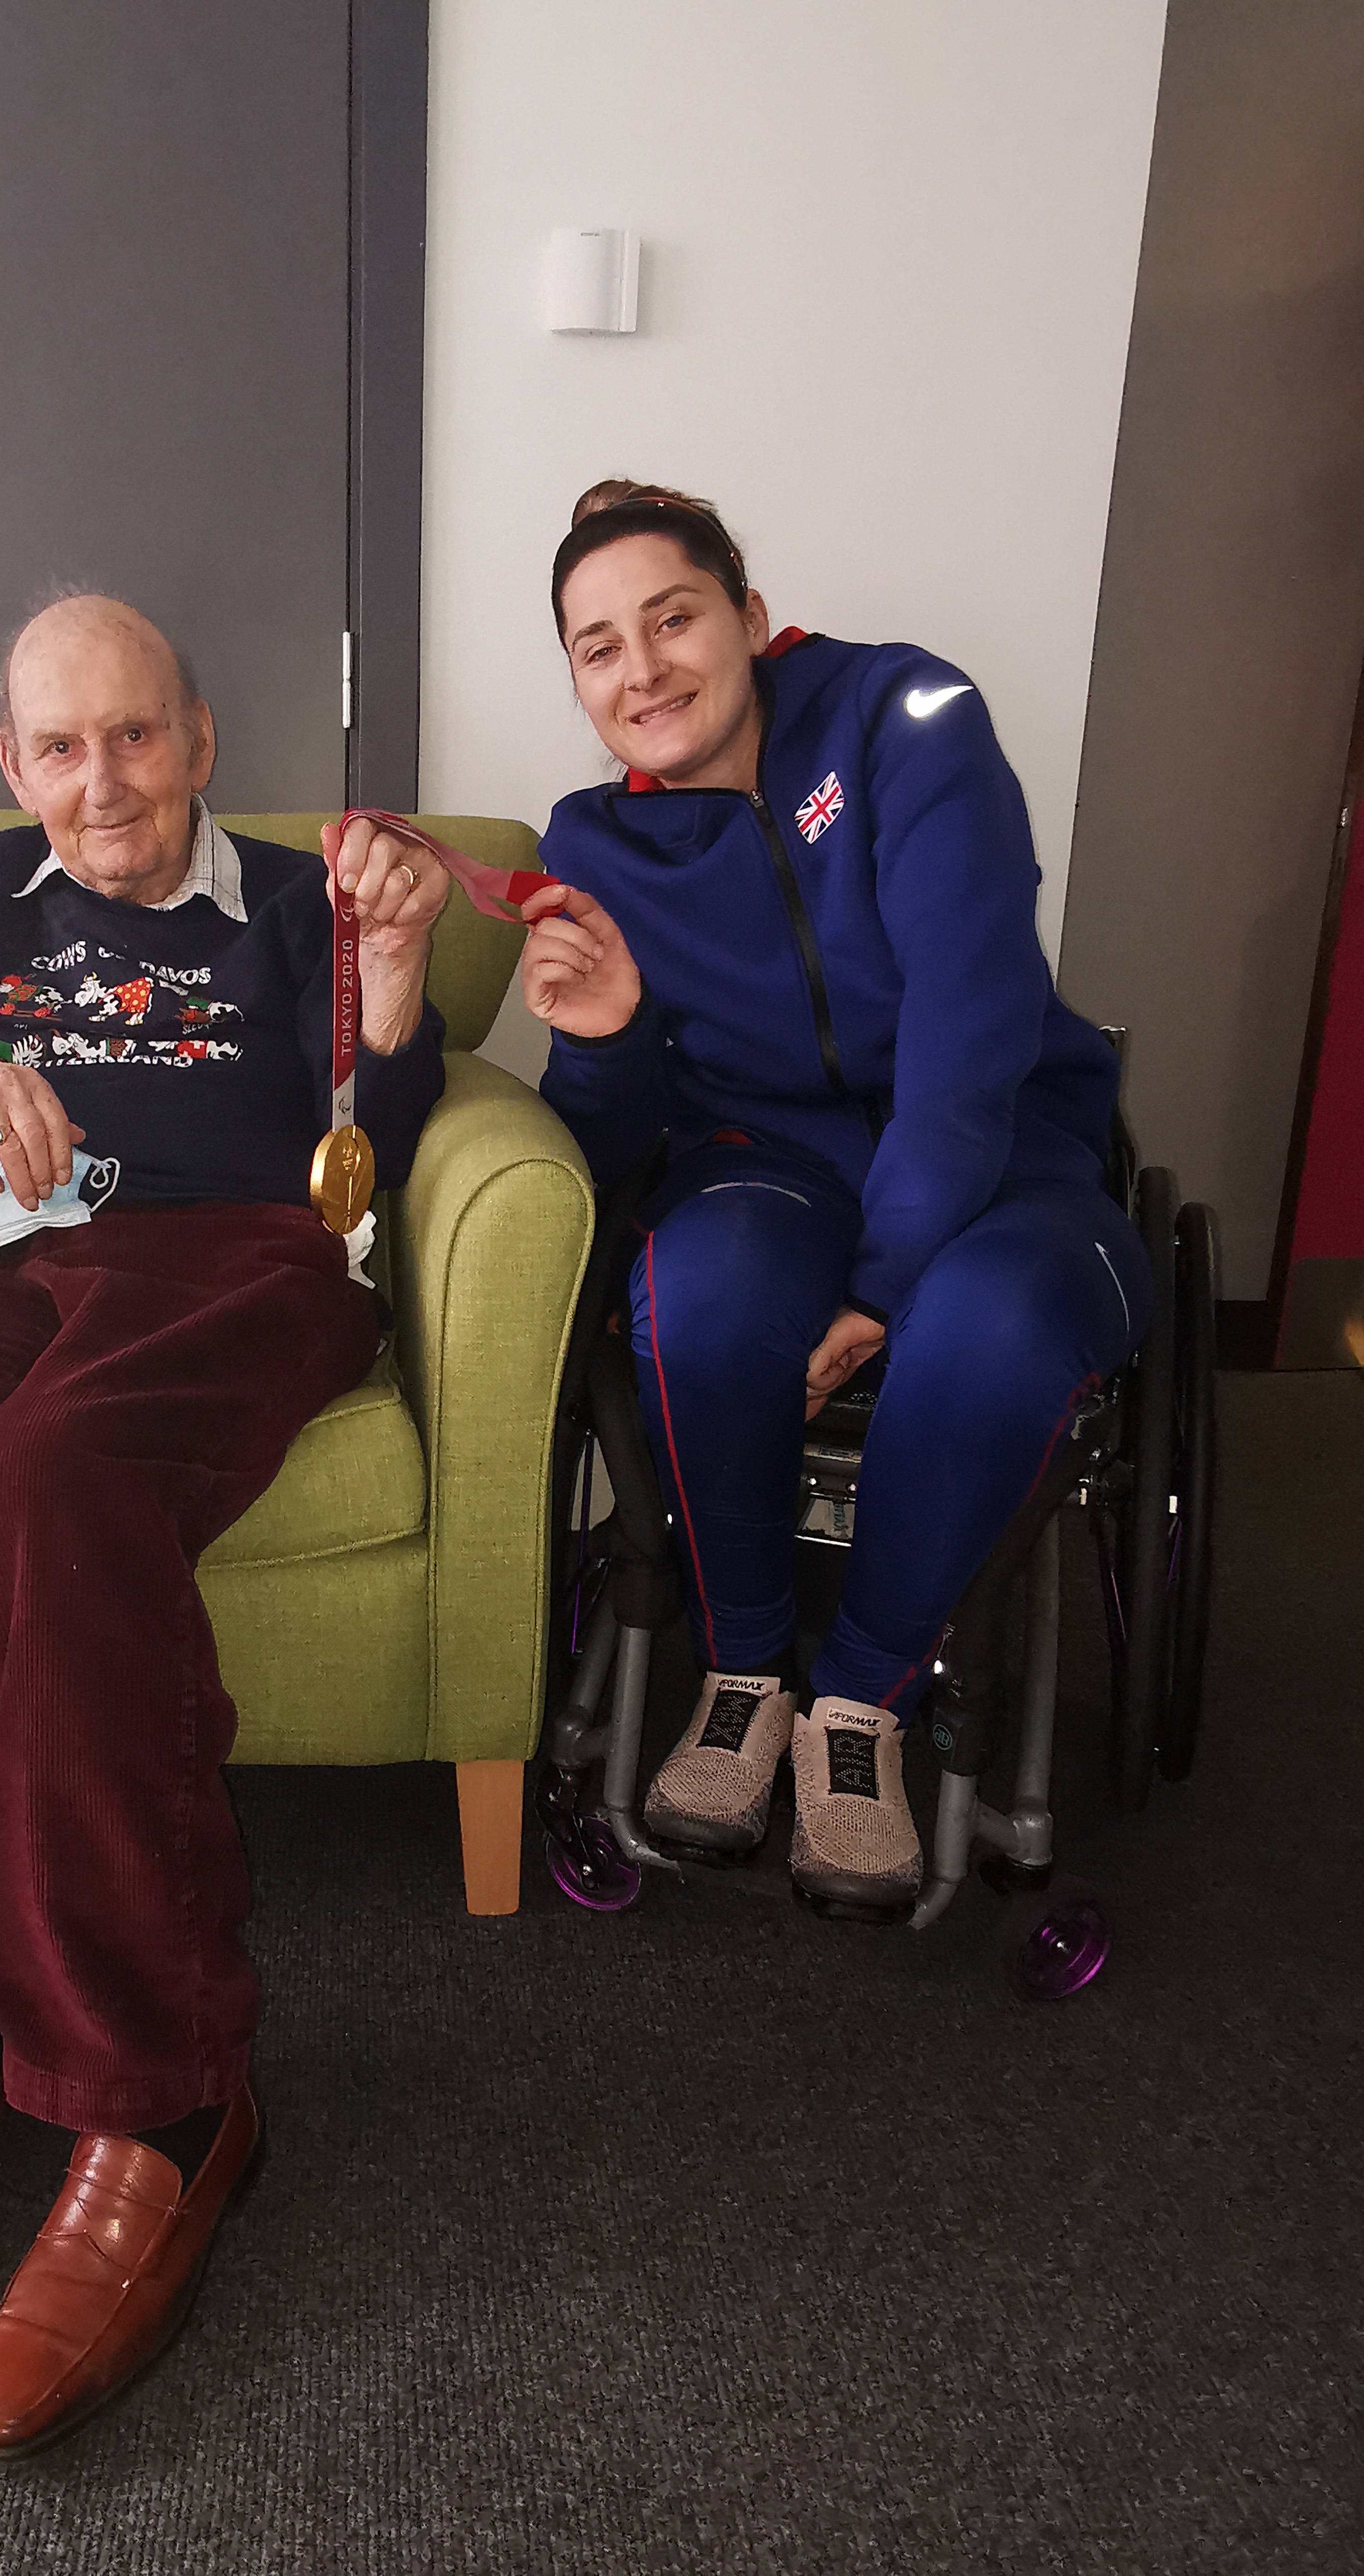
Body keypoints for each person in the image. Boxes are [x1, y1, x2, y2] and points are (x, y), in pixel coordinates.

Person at [0, 591, 449, 2458]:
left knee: (58, 1478)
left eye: (135, 737)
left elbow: (385, 1120)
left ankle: (159, 2092)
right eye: (61, 748)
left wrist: (387, 973)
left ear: (203, 742)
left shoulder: (305, 891)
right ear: (11, 766)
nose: (100, 781)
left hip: (230, 1270)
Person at [522, 480, 1149, 1921]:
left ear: (750, 619)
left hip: (998, 1147)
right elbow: (606, 1144)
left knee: (989, 1322)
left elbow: (967, 1015)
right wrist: (606, 1037)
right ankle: (745, 1670)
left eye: (673, 618)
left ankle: (858, 1701)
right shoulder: (589, 844)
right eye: (598, 646)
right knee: (705, 1286)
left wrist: (887, 1286)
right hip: (768, 1155)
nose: (643, 670)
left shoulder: (908, 716)